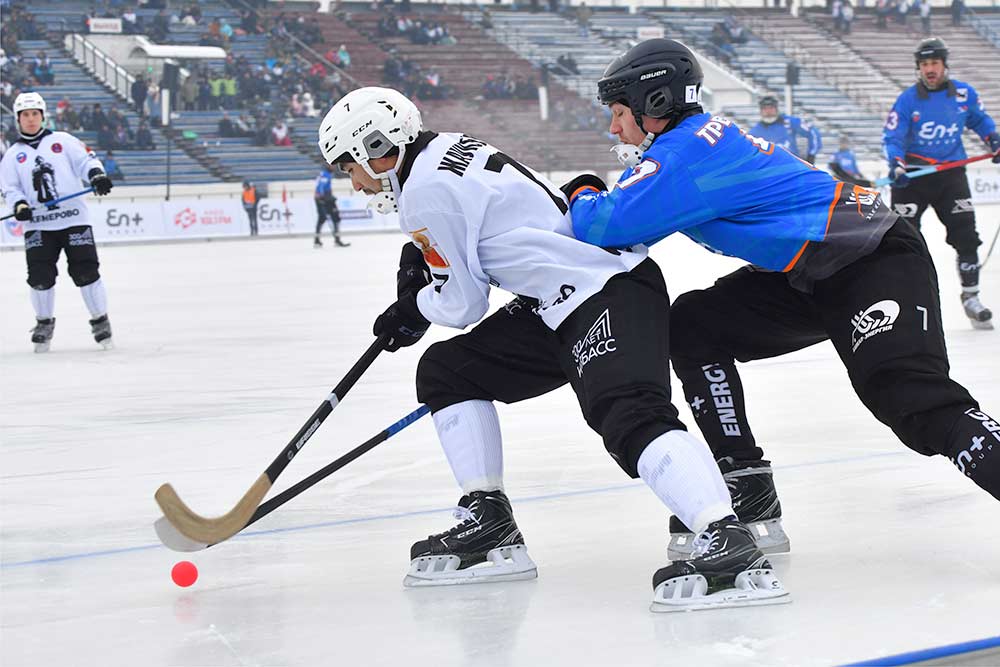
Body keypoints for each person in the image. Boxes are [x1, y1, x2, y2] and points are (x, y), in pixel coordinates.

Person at [317, 87, 789, 611]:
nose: (355, 183)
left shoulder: (422, 191)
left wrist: (414, 306)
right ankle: (488, 519)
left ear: (378, 148)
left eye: (350, 167)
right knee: (450, 371)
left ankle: (726, 538)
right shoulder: (445, 149)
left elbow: (463, 305)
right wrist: (424, 273)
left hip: (601, 288)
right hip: (559, 300)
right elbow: (482, 237)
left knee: (629, 414)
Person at [564, 39, 1000, 559]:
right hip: (811, 271)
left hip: (870, 257)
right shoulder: (690, 144)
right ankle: (745, 482)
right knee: (694, 324)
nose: (613, 129)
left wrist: (582, 188)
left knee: (912, 400)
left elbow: (604, 225)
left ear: (652, 104)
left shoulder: (684, 152)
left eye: (617, 113)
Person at [883, 37, 1000, 330]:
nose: (930, 69)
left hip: (950, 174)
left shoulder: (963, 94)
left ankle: (971, 297)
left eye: (934, 63)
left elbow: (979, 121)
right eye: (924, 64)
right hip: (913, 176)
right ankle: (906, 300)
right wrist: (896, 163)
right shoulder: (908, 99)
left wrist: (994, 140)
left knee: (966, 236)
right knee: (903, 240)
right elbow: (894, 137)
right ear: (918, 69)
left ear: (944, 65)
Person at [0, 92, 116, 352]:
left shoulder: (63, 141)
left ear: (42, 116)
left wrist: (96, 176)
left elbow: (86, 160)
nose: (30, 120)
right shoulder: (12, 156)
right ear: (18, 119)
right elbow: (10, 189)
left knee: (85, 272)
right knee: (40, 277)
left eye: (34, 114)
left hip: (73, 219)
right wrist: (19, 205)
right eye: (25, 115)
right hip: (38, 225)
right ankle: (44, 323)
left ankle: (100, 320)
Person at [748, 95, 822, 164]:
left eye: (771, 108)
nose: (768, 111)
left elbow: (812, 132)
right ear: (761, 111)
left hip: (792, 165)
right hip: (769, 168)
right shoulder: (755, 132)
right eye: (765, 108)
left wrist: (811, 155)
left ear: (776, 109)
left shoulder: (789, 122)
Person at [313, 165, 347, 248]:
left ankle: (318, 240)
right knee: (334, 218)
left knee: (323, 218)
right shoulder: (326, 175)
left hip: (323, 198)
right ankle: (336, 240)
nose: (334, 167)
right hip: (325, 198)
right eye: (332, 166)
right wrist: (321, 196)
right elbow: (321, 185)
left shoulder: (323, 174)